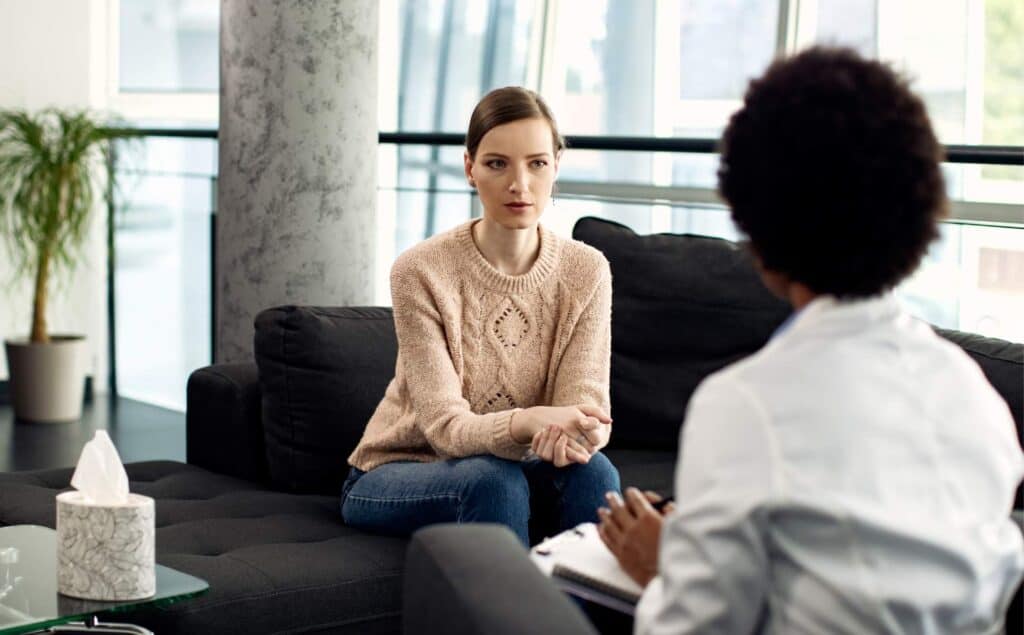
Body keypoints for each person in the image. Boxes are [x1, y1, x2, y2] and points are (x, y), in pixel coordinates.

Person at [597, 47, 1024, 633]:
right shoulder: (977, 401)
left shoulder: (746, 403)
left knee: (468, 566)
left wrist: (662, 571)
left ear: (757, 228)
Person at [341, 86, 621, 546]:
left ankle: (583, 618)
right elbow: (446, 429)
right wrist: (529, 422)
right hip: (396, 471)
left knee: (593, 472)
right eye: (497, 164)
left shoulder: (587, 270)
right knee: (492, 480)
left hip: (516, 468)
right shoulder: (421, 271)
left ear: (556, 166)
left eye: (537, 163)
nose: (520, 185)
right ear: (470, 167)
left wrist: (582, 434)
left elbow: (585, 406)